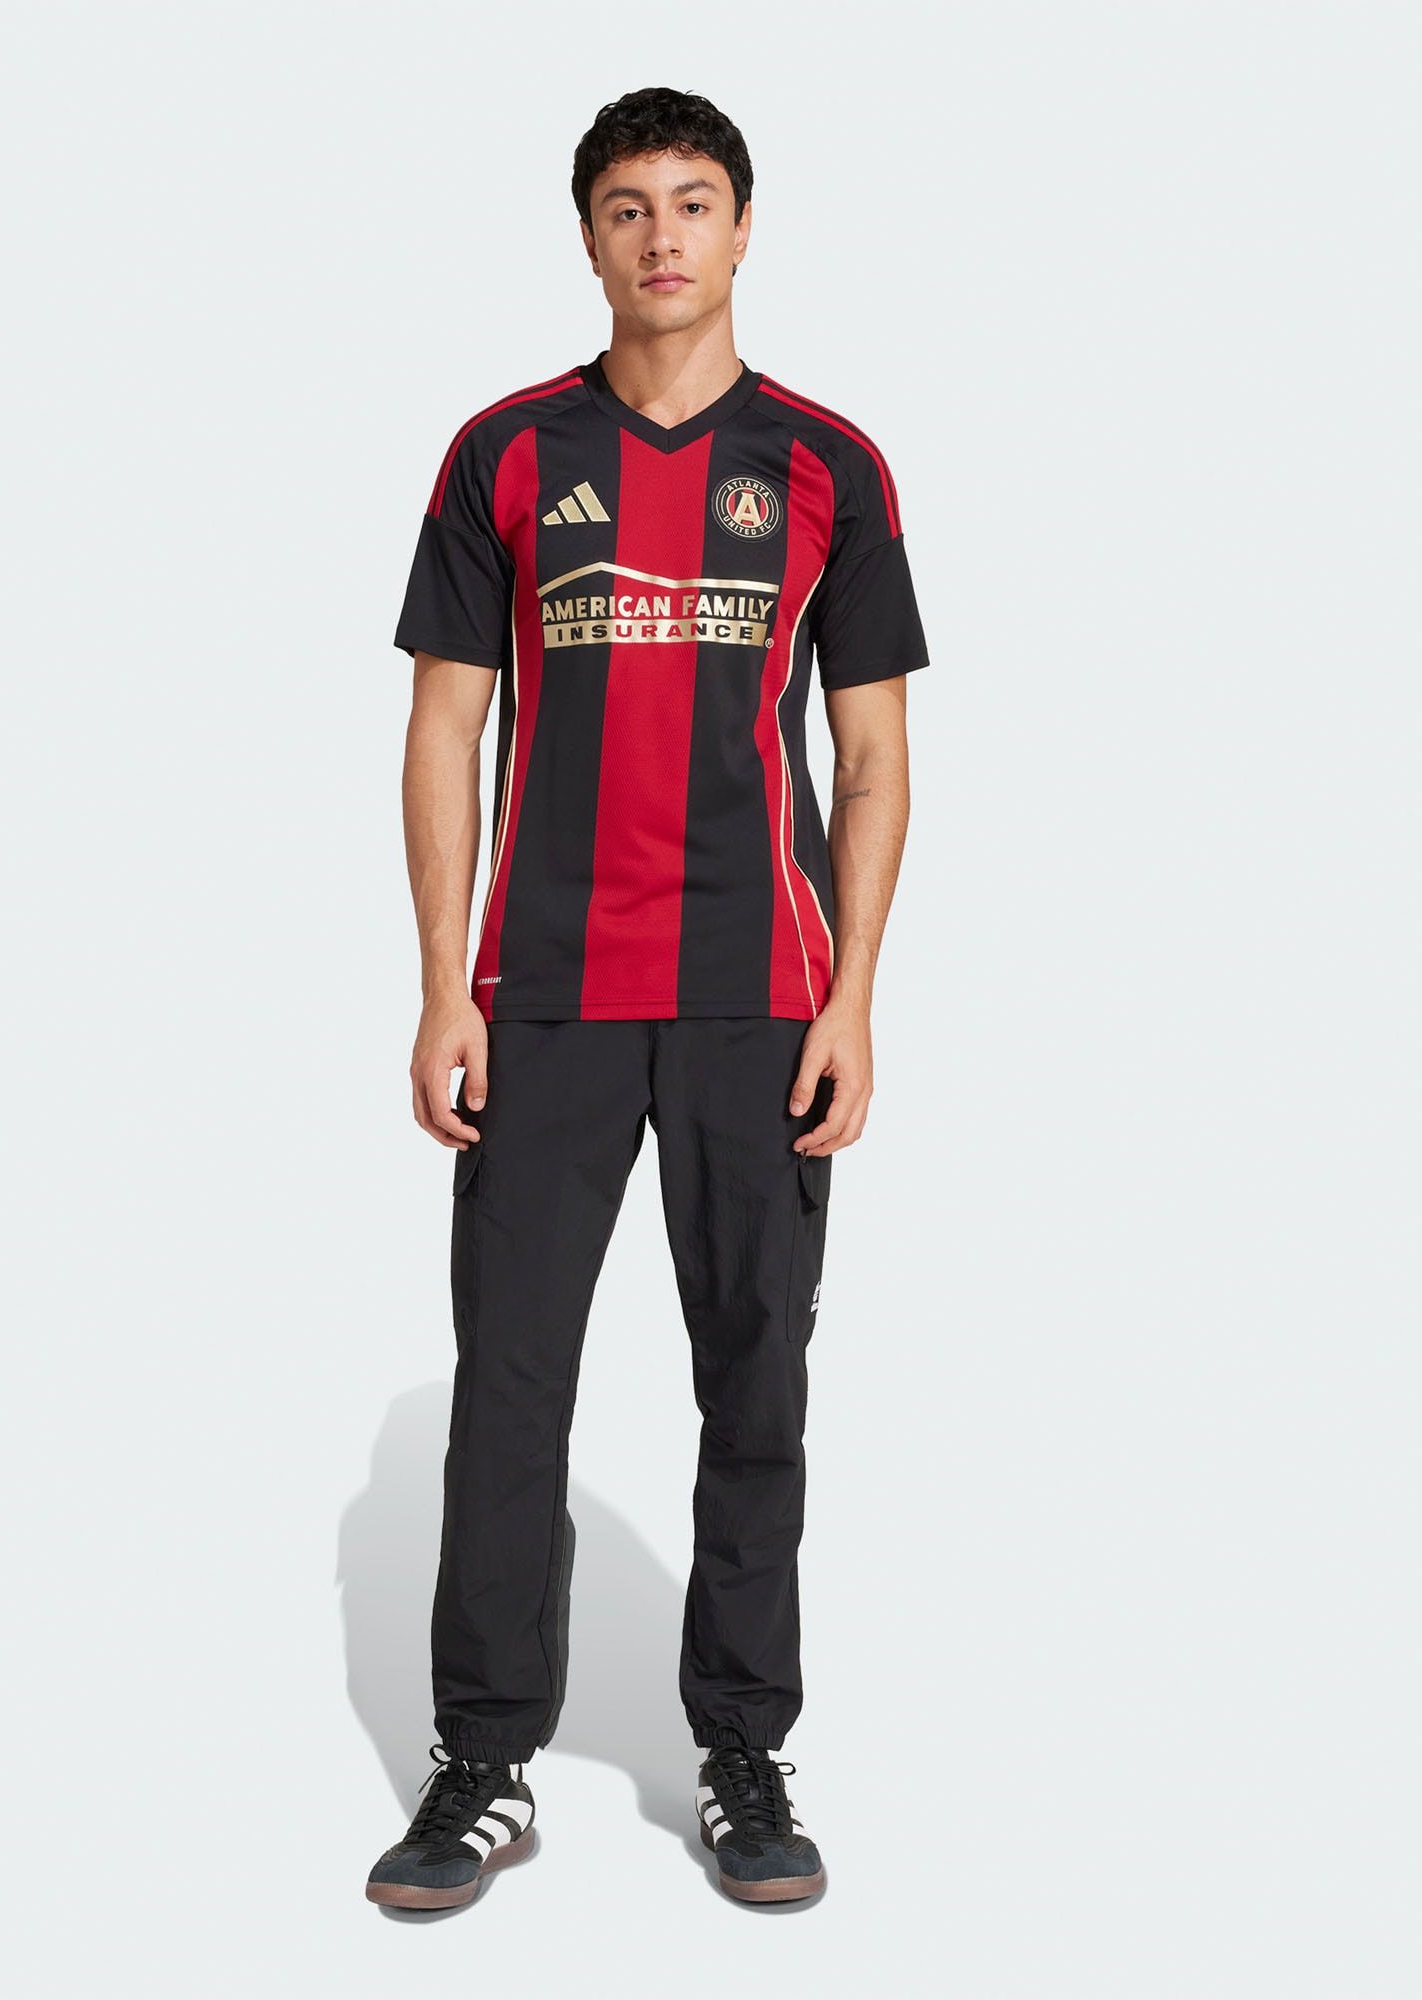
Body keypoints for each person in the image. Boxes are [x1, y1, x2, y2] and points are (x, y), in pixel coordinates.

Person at [367, 85, 927, 1911]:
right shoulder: (506, 455)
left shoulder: (830, 466)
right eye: (628, 206)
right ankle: (481, 1762)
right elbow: (444, 729)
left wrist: (854, 998)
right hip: (543, 1000)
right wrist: (441, 984)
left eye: (694, 202)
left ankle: (744, 1749)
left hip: (761, 1001)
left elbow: (873, 754)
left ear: (744, 228)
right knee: (511, 1389)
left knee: (757, 1380)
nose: (663, 235)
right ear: (591, 237)